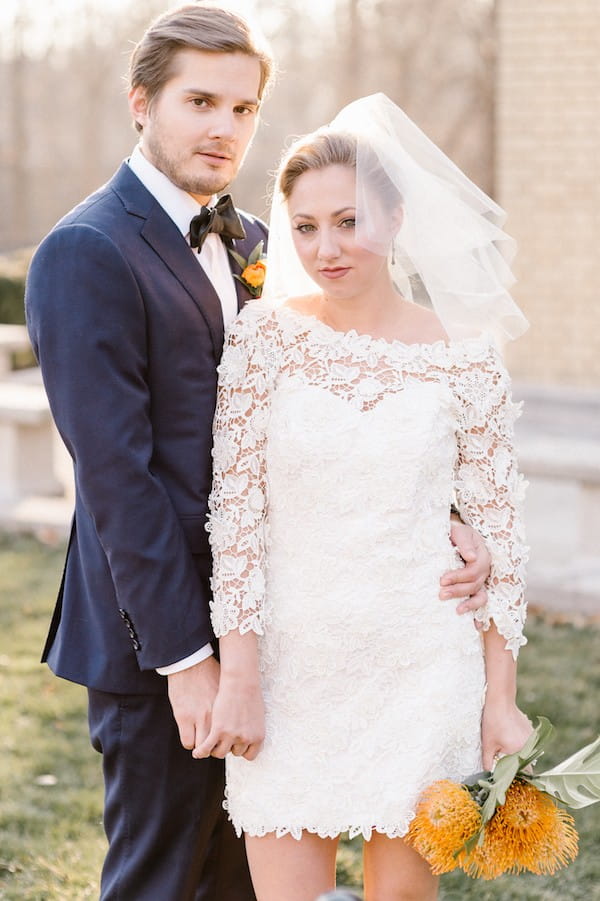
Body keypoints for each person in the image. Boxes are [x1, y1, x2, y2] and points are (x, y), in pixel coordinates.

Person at [25, 4, 490, 895]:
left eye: (243, 110)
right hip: (158, 640)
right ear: (141, 103)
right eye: (200, 101)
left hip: (282, 632)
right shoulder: (87, 251)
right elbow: (118, 480)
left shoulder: (258, 244)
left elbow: (358, 404)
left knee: (243, 882)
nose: (224, 129)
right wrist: (189, 661)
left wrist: (456, 520)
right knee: (163, 875)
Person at [198, 94, 533, 901]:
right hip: (289, 667)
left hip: (422, 665)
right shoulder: (261, 339)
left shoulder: (464, 359)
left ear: (395, 216)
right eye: (305, 226)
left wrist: (501, 701)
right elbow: (235, 518)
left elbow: (503, 532)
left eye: (348, 221)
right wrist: (238, 671)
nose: (325, 248)